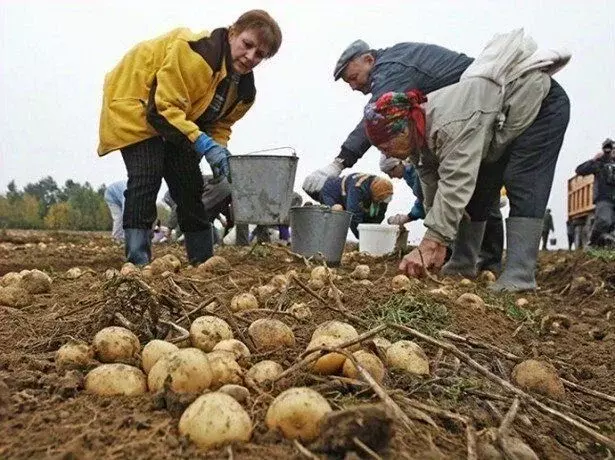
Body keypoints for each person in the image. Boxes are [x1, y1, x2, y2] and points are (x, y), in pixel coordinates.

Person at [363, 29, 571, 292]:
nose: (387, 153)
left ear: (401, 129)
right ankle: (463, 262)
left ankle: (520, 275)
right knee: (481, 189)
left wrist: (431, 241)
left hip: (540, 105)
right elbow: (433, 190)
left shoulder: (447, 124)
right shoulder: (418, 140)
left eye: (385, 146)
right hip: (497, 122)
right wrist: (437, 241)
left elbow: (457, 180)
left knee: (522, 180)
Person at [97, 10, 282, 265]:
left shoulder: (244, 92)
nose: (250, 57)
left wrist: (219, 149)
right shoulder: (197, 54)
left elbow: (220, 124)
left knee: (189, 183)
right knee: (146, 174)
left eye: (260, 54)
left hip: (178, 117)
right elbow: (163, 109)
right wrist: (203, 143)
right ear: (232, 33)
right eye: (247, 45)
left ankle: (203, 261)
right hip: (136, 101)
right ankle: (137, 264)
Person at [303, 38, 472, 195]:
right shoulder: (396, 59)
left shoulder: (391, 68)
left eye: (354, 78)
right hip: (466, 105)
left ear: (369, 60)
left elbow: (377, 116)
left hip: (475, 101)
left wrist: (339, 163)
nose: (353, 87)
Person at [314, 173, 393, 238]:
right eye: (379, 199)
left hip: (347, 199)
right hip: (331, 195)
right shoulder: (357, 188)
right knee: (338, 210)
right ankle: (329, 242)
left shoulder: (383, 191)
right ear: (374, 194)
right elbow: (354, 215)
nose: (381, 202)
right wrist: (363, 238)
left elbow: (380, 214)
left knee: (366, 214)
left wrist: (373, 233)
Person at [163, 175, 234, 244]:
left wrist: (169, 229)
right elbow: (210, 205)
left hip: (218, 187)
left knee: (197, 214)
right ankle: (216, 243)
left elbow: (177, 207)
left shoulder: (179, 192)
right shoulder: (187, 185)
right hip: (227, 187)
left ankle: (187, 240)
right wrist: (221, 219)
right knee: (207, 218)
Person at [575, 138, 615, 247]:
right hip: (604, 198)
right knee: (604, 220)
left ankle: (606, 246)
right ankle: (592, 243)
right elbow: (580, 170)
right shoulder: (600, 164)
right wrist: (594, 159)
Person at [379, 155, 426, 225]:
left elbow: (424, 196)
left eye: (390, 172)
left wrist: (408, 217)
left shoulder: (415, 172)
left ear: (398, 164)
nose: (391, 177)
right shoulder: (408, 175)